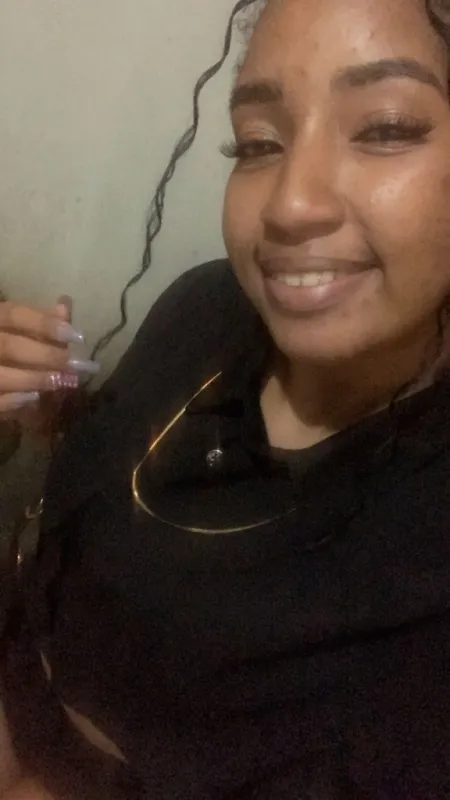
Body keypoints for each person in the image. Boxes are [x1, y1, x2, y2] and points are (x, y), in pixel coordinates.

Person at [3, 0, 450, 795]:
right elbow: (114, 478)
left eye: (385, 128)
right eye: (257, 143)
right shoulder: (206, 305)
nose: (288, 205)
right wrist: (50, 413)